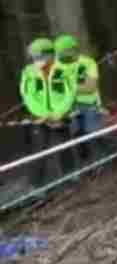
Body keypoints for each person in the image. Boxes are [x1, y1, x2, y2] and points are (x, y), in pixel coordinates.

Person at [18, 38, 77, 190]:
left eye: (40, 56)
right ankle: (36, 186)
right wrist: (42, 114)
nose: (37, 60)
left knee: (64, 145)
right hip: (39, 117)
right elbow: (27, 95)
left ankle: (71, 177)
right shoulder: (28, 72)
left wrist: (59, 113)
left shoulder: (64, 70)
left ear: (50, 55)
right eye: (34, 57)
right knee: (39, 150)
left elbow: (70, 92)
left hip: (60, 115)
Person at [52, 34, 109, 167]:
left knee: (96, 133)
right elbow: (57, 90)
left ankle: (115, 159)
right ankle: (88, 166)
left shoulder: (88, 62)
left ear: (72, 49)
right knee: (78, 137)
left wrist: (70, 88)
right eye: (59, 52)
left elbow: (90, 86)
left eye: (63, 51)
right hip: (69, 107)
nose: (61, 55)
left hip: (89, 105)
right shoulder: (57, 67)